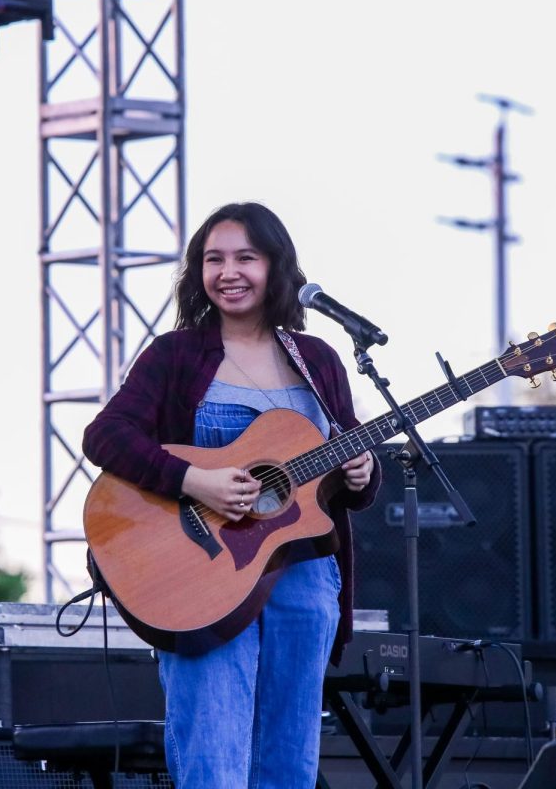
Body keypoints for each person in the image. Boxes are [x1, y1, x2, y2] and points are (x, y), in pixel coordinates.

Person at [81, 202, 380, 788]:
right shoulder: (177, 355)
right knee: (213, 758)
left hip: (305, 577)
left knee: (290, 763)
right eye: (214, 259)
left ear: (277, 267)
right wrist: (195, 479)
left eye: (246, 257)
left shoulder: (317, 358)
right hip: (202, 572)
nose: (229, 272)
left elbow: (337, 474)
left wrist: (361, 475)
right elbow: (105, 437)